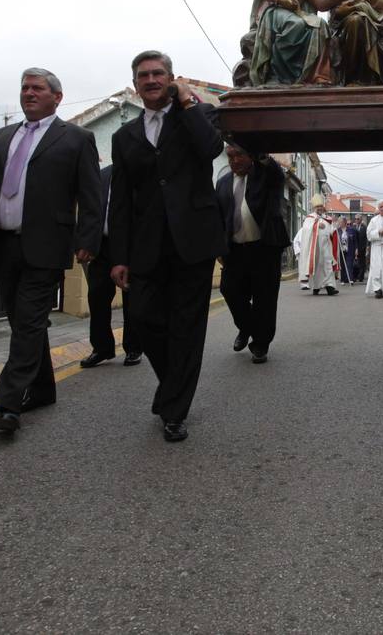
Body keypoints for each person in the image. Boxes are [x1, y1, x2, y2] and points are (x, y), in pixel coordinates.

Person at [0, 68, 103, 434]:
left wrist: (88, 239)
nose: (29, 93)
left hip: (47, 245)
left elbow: (91, 194)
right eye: (25, 87)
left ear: (57, 97)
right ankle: (43, 389)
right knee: (24, 322)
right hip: (2, 244)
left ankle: (9, 404)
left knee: (27, 322)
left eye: (37, 88)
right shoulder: (0, 137)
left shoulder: (77, 138)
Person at [109, 50, 226, 443]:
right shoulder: (123, 137)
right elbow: (121, 200)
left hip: (194, 239)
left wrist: (188, 101)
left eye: (158, 73)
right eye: (143, 75)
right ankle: (172, 387)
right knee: (143, 318)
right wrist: (119, 256)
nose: (151, 80)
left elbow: (211, 149)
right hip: (146, 246)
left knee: (187, 329)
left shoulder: (198, 115)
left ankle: (174, 411)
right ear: (135, 84)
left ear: (172, 79)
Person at [216, 144, 289, 364]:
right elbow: (219, 217)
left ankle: (260, 344)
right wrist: (219, 247)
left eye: (239, 155)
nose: (234, 160)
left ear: (251, 156)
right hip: (235, 250)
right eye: (230, 156)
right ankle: (246, 327)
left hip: (264, 248)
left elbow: (277, 174)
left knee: (264, 298)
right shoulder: (222, 183)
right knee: (229, 290)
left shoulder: (266, 175)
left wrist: (262, 155)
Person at [81, 161, 143, 369]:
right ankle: (102, 348)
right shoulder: (102, 175)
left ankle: (134, 347)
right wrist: (84, 242)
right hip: (102, 247)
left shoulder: (140, 175)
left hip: (132, 247)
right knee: (96, 296)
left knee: (131, 298)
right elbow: (89, 209)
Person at [296, 196, 339, 295]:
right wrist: (316, 225)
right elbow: (306, 229)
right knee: (318, 267)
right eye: (318, 206)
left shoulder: (326, 218)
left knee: (328, 265)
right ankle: (316, 287)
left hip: (326, 246)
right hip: (316, 248)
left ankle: (330, 287)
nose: (320, 208)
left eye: (321, 206)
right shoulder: (310, 218)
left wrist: (334, 229)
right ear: (314, 208)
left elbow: (331, 230)